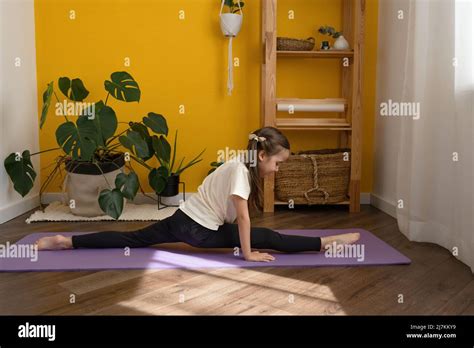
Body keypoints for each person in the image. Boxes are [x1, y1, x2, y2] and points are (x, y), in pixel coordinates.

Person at [35, 126, 360, 262]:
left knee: (134, 238)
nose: (278, 169)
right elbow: (244, 219)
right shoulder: (240, 173)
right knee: (269, 236)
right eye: (278, 162)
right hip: (198, 231)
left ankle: (68, 242)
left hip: (183, 219)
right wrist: (249, 254)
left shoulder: (238, 163)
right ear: (263, 156)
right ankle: (325, 244)